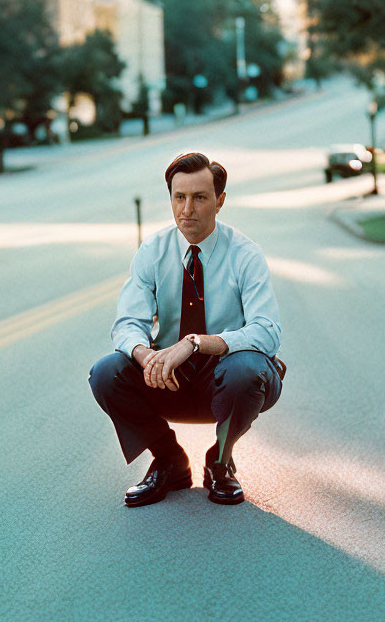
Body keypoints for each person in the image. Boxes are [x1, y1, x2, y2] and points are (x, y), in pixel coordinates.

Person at [89, 152, 283, 507]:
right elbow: (127, 324)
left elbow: (268, 332)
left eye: (199, 197)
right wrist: (146, 355)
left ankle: (220, 463)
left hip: (224, 379)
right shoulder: (153, 251)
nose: (187, 209)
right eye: (180, 197)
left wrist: (197, 343)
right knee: (105, 372)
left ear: (219, 202)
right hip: (168, 380)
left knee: (249, 369)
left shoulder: (245, 255)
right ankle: (169, 461)